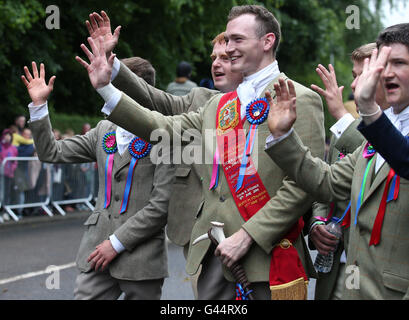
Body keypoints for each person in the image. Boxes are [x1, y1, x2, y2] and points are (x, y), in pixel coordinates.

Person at [77, 5, 325, 300]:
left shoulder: (301, 98)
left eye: (237, 40)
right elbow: (161, 125)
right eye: (227, 40)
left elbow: (302, 185)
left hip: (268, 259)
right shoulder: (219, 106)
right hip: (215, 258)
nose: (229, 48)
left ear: (268, 41)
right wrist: (106, 87)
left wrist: (247, 236)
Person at [264, 23, 409, 299]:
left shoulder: (376, 127)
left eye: (399, 63)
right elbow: (327, 182)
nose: (387, 73)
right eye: (383, 64)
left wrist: (367, 111)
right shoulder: (375, 135)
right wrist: (283, 136)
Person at [21, 58, 175, 300]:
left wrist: (116, 243)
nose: (106, 91)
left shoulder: (165, 134)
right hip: (95, 252)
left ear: (138, 90)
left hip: (141, 258)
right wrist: (39, 106)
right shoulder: (104, 130)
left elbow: (161, 206)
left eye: (112, 85)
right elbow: (51, 152)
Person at [308, 43, 388, 300]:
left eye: (361, 76)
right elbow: (326, 185)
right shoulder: (346, 131)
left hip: (377, 274)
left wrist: (342, 117)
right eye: (353, 77)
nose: (354, 87)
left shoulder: (349, 129)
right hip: (336, 265)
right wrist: (317, 224)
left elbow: (385, 150)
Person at [0, 129, 18, 222]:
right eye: (6, 135)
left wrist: (12, 168)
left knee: (7, 193)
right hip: (1, 174)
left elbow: (15, 161)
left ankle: (5, 212)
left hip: (9, 174)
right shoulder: (0, 146)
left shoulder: (13, 148)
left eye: (9, 135)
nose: (8, 137)